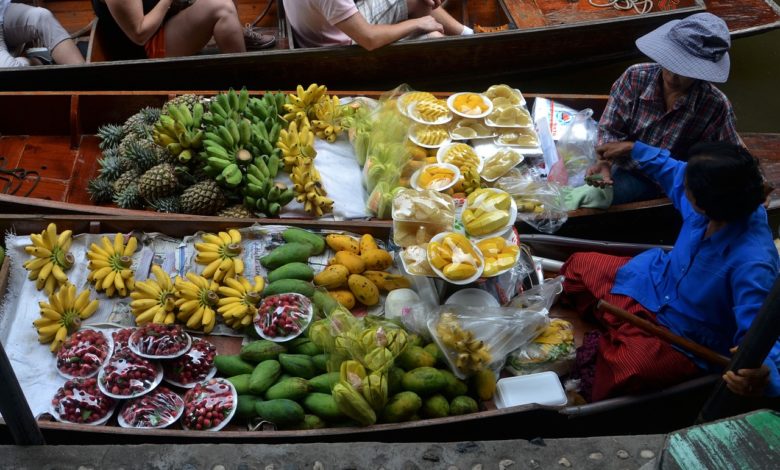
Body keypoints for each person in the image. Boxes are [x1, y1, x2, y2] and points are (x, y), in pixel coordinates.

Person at [563, 140, 779, 402]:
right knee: (579, 266)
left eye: (686, 188)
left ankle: (620, 337)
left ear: (702, 203)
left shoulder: (754, 262)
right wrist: (634, 149)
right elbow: (672, 169)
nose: (681, 184)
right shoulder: (714, 200)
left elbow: (760, 334)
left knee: (628, 368)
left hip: (683, 337)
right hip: (653, 284)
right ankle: (620, 333)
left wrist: (762, 374)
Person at [586, 13, 741, 205]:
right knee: (587, 188)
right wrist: (605, 161)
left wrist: (756, 183)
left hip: (669, 181)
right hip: (626, 164)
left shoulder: (715, 105)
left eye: (686, 69)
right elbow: (610, 128)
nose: (674, 74)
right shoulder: (635, 77)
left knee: (600, 198)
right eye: (671, 61)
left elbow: (731, 157)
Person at [92, 0, 259, 59]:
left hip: (165, 22)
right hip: (144, 50)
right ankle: (243, 92)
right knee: (222, 8)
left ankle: (237, 32)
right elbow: (139, 33)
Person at [285, 0, 472, 51]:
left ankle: (469, 36)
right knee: (434, 40)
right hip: (341, 46)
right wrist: (417, 23)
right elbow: (369, 39)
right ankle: (468, 50)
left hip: (332, 26)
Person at [0, 0, 85, 68]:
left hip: (3, 12)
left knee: (42, 16)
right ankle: (37, 61)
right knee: (9, 70)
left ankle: (87, 79)